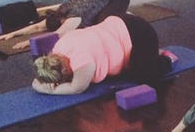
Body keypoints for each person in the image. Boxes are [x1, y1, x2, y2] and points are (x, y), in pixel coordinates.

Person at [32, 14, 172, 95]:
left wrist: (51, 90)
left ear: (64, 71)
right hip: (120, 22)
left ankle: (165, 58)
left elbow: (76, 88)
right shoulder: (57, 48)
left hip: (139, 33)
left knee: (144, 78)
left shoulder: (82, 62)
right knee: (125, 74)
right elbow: (36, 80)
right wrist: (42, 84)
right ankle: (150, 54)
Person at [0, 0, 130, 50]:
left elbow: (57, 35)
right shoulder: (58, 12)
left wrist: (28, 42)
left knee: (103, 25)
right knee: (90, 22)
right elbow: (36, 27)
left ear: (62, 21)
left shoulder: (73, 18)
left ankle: (127, 16)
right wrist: (12, 34)